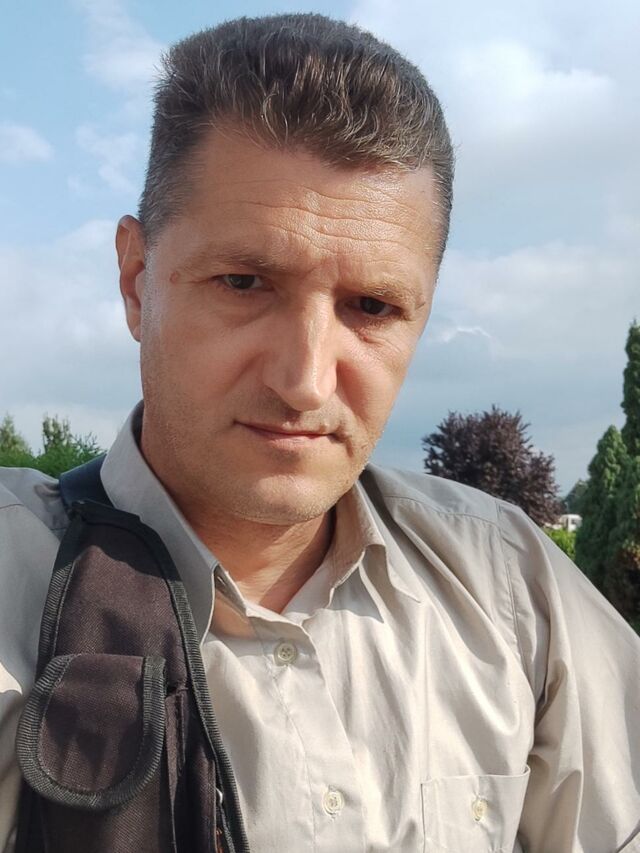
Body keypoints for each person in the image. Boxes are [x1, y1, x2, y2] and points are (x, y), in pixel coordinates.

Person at [0, 12, 639, 853]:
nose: (304, 379)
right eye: (244, 282)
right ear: (135, 278)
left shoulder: (515, 586)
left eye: (372, 306)